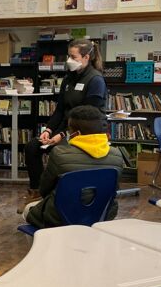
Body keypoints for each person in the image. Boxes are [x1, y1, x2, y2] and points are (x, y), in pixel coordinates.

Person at [22, 38, 107, 211]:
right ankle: (37, 192)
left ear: (86, 57)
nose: (69, 60)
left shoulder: (95, 80)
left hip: (84, 132)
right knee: (32, 147)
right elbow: (60, 110)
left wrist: (62, 135)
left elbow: (88, 117)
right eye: (69, 56)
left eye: (73, 57)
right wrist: (48, 130)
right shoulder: (68, 79)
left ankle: (56, 196)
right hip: (64, 127)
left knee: (59, 152)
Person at [23, 105, 123, 229]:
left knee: (28, 210)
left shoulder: (60, 154)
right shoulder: (117, 155)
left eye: (69, 131)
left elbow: (44, 189)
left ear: (77, 133)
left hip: (61, 216)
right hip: (102, 215)